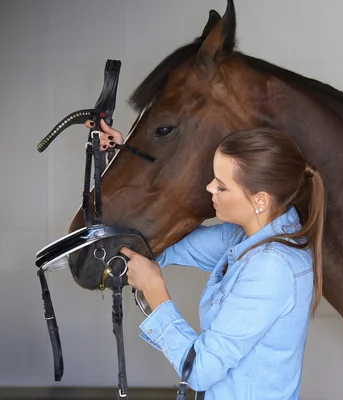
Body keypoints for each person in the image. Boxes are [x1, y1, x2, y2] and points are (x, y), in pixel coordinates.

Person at [86, 119, 325, 400]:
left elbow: (199, 370)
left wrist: (156, 293)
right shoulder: (248, 234)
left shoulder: (271, 268)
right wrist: (118, 162)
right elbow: (162, 241)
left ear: (260, 200)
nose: (209, 188)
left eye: (222, 187)